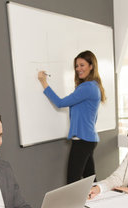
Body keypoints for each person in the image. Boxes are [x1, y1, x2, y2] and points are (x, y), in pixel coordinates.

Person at [38, 50, 106, 184]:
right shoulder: (92, 86)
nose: (78, 69)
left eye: (82, 65)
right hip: (87, 138)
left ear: (91, 66)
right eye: (76, 66)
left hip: (83, 140)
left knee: (72, 182)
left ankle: (79, 205)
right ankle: (100, 203)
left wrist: (43, 82)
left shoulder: (87, 87)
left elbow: (60, 103)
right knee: (90, 180)